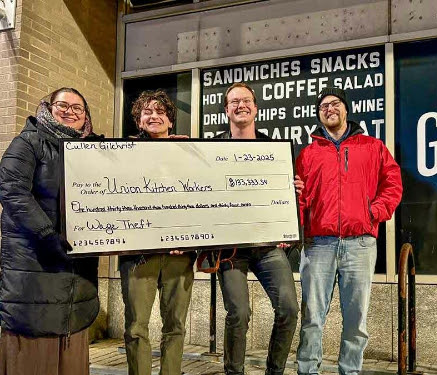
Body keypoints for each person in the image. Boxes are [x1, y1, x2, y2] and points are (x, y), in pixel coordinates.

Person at [295, 87, 403, 375]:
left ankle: (350, 371)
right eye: (323, 106)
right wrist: (298, 205)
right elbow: (299, 198)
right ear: (319, 114)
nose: (329, 109)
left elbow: (392, 185)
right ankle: (307, 370)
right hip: (318, 244)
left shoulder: (373, 147)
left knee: (356, 321)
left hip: (360, 244)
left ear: (346, 110)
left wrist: (373, 214)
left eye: (335, 103)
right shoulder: (307, 154)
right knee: (312, 318)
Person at [0, 87, 101, 375]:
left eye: (78, 108)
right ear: (48, 108)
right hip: (34, 265)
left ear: (86, 116)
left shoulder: (94, 151)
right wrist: (46, 233)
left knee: (69, 347)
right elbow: (12, 190)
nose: (70, 111)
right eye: (63, 105)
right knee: (33, 354)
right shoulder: (28, 142)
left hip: (75, 272)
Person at [214, 82, 299, 375]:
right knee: (238, 313)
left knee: (288, 309)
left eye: (246, 100)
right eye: (234, 101)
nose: (241, 105)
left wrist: (292, 193)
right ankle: (233, 372)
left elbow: (284, 194)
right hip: (231, 250)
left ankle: (275, 371)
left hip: (267, 247)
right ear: (226, 110)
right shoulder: (210, 148)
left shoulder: (273, 149)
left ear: (256, 108)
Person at [119, 89, 196, 375]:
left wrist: (187, 238)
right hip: (139, 255)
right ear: (138, 121)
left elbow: (199, 199)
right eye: (146, 112)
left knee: (175, 325)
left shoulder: (190, 154)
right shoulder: (120, 155)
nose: (154, 116)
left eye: (160, 112)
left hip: (179, 255)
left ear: (171, 122)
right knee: (136, 326)